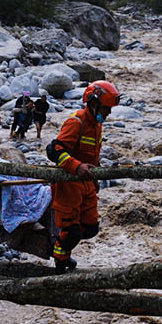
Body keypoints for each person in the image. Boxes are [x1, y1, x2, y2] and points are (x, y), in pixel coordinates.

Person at [50, 80, 121, 274]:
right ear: (94, 102)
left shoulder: (96, 125)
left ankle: (62, 247)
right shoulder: (77, 121)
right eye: (106, 108)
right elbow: (54, 150)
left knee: (90, 228)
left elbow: (92, 156)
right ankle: (59, 261)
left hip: (86, 183)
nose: (108, 113)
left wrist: (94, 179)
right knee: (71, 230)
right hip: (69, 185)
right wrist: (76, 166)